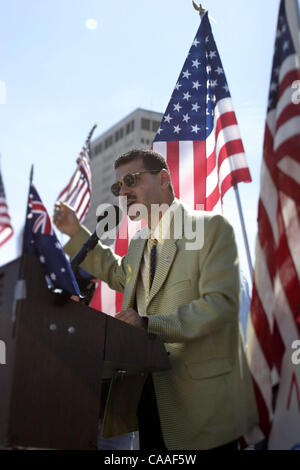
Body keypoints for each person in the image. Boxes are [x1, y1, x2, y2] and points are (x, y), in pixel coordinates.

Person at [54, 149, 258, 450]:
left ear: (164, 179)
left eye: (131, 180)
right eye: (118, 187)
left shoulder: (212, 229)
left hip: (204, 411)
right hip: (147, 401)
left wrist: (148, 323)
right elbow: (117, 273)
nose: (123, 192)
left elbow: (220, 307)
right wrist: (74, 232)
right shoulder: (139, 245)